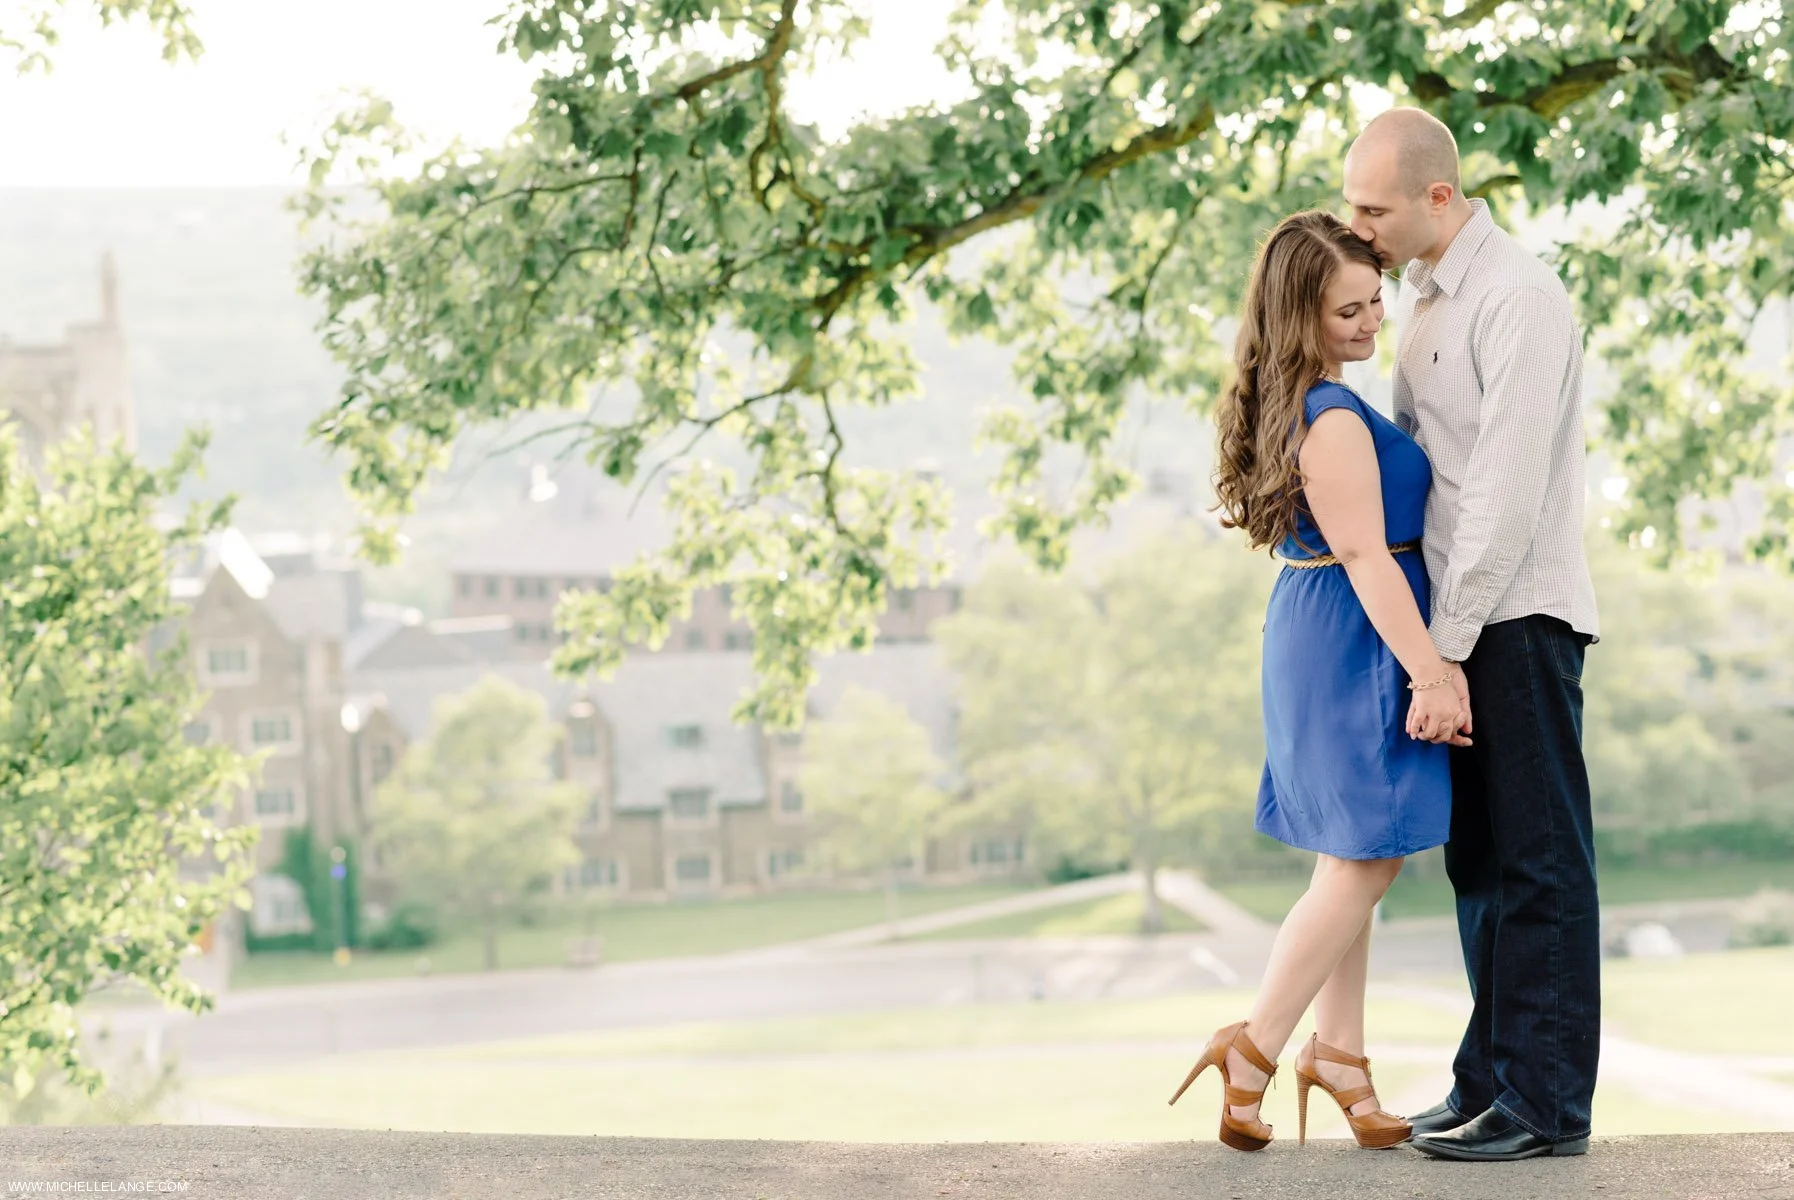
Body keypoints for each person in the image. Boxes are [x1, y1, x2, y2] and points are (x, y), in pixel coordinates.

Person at [1342, 107, 1601, 1162]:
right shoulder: (1423, 299)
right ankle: (1487, 1081)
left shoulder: (1518, 300)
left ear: (1438, 198)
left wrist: (1443, 646)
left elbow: (1500, 492)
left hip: (1515, 616)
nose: (1355, 225)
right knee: (1481, 863)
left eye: (1374, 207)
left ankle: (1545, 1110)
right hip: (1459, 619)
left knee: (1539, 863)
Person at [1179, 209, 1466, 1152]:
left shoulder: (1293, 397)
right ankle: (1255, 1049)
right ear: (1300, 316)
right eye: (1347, 310)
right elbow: (1366, 555)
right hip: (1357, 635)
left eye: (1374, 298)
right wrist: (1430, 674)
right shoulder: (1331, 414)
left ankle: (1338, 1053)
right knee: (1368, 857)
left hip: (1319, 628)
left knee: (1352, 856)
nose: (1371, 319)